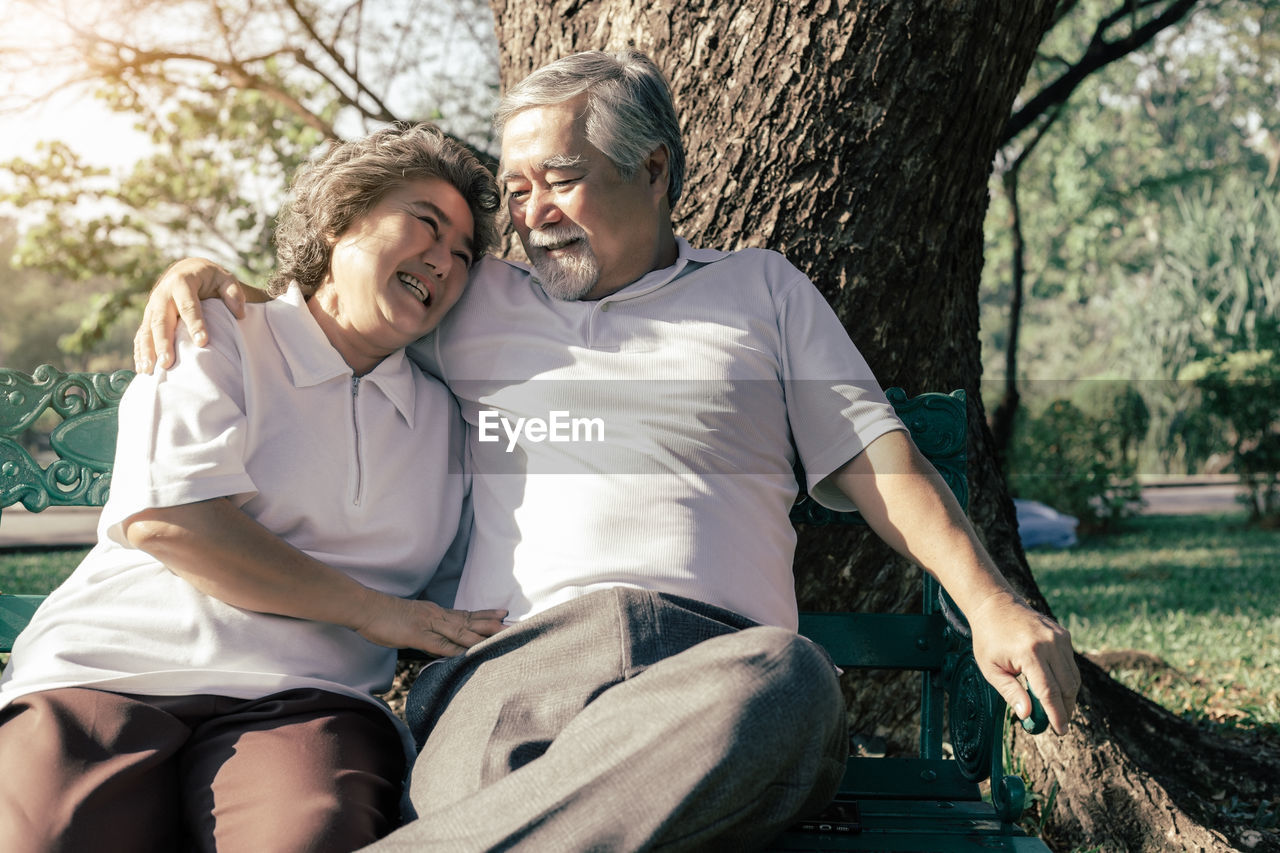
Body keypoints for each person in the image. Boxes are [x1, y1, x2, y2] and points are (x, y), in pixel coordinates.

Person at [136, 51, 1081, 852]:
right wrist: (214, 278)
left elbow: (880, 460)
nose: (531, 211)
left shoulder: (763, 291)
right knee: (498, 790)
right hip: (514, 671)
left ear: (655, 169)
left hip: (718, 673)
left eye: (559, 178)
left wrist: (990, 604)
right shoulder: (473, 300)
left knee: (788, 682)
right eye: (513, 192)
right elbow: (345, 305)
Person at [0, 123, 510, 853]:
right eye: (425, 225)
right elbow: (174, 521)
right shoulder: (218, 332)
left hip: (303, 703)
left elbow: (468, 593)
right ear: (339, 220)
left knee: (305, 837)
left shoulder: (448, 421)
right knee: (45, 837)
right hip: (105, 671)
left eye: (463, 255)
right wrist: (374, 612)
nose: (445, 261)